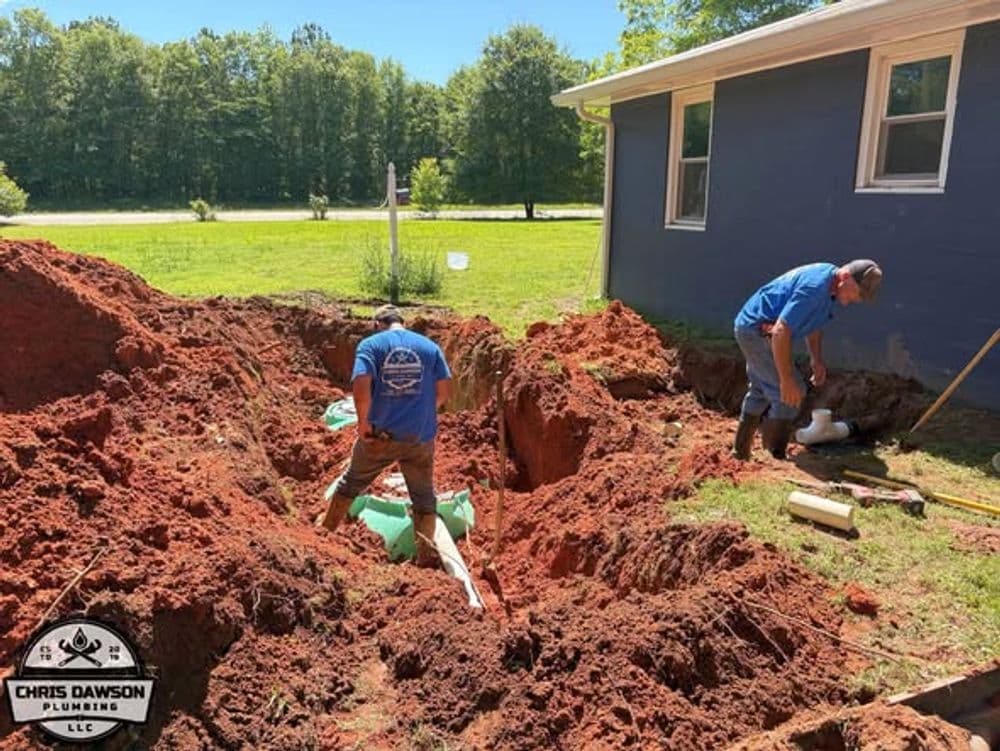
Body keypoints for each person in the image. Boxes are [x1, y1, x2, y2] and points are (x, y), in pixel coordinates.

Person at [317, 304, 452, 566]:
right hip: (419, 438)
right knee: (424, 499)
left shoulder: (371, 346)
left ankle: (324, 534)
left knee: (351, 482)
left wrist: (363, 424)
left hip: (380, 436)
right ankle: (425, 559)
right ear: (402, 322)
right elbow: (444, 393)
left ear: (377, 324)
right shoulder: (429, 347)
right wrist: (423, 413)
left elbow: (361, 387)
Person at [732, 260, 882, 460]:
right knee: (790, 394)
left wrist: (816, 359)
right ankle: (774, 456)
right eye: (857, 292)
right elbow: (780, 331)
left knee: (761, 389)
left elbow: (814, 324)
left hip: (758, 329)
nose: (857, 299)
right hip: (757, 332)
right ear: (845, 277)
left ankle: (740, 452)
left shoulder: (830, 288)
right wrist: (786, 380)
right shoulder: (814, 289)